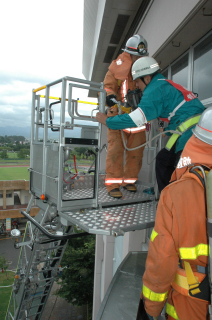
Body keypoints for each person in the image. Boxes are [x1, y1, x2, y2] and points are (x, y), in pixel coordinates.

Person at [138, 107, 212, 320]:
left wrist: (150, 309)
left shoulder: (177, 193)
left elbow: (162, 258)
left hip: (192, 304)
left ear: (196, 140)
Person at [96, 56, 205, 193]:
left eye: (137, 82)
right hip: (193, 130)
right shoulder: (164, 83)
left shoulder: (154, 90)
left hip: (190, 134)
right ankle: (166, 198)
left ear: (147, 78)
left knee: (183, 173)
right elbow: (172, 108)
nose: (136, 86)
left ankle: (178, 205)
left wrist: (107, 120)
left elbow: (136, 119)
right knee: (163, 160)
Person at [103, 34, 148, 198]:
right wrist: (110, 97)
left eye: (141, 56)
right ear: (129, 53)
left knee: (136, 151)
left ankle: (129, 181)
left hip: (137, 117)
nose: (138, 58)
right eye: (136, 55)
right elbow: (108, 86)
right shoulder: (117, 67)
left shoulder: (144, 70)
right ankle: (113, 185)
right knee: (115, 150)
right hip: (119, 114)